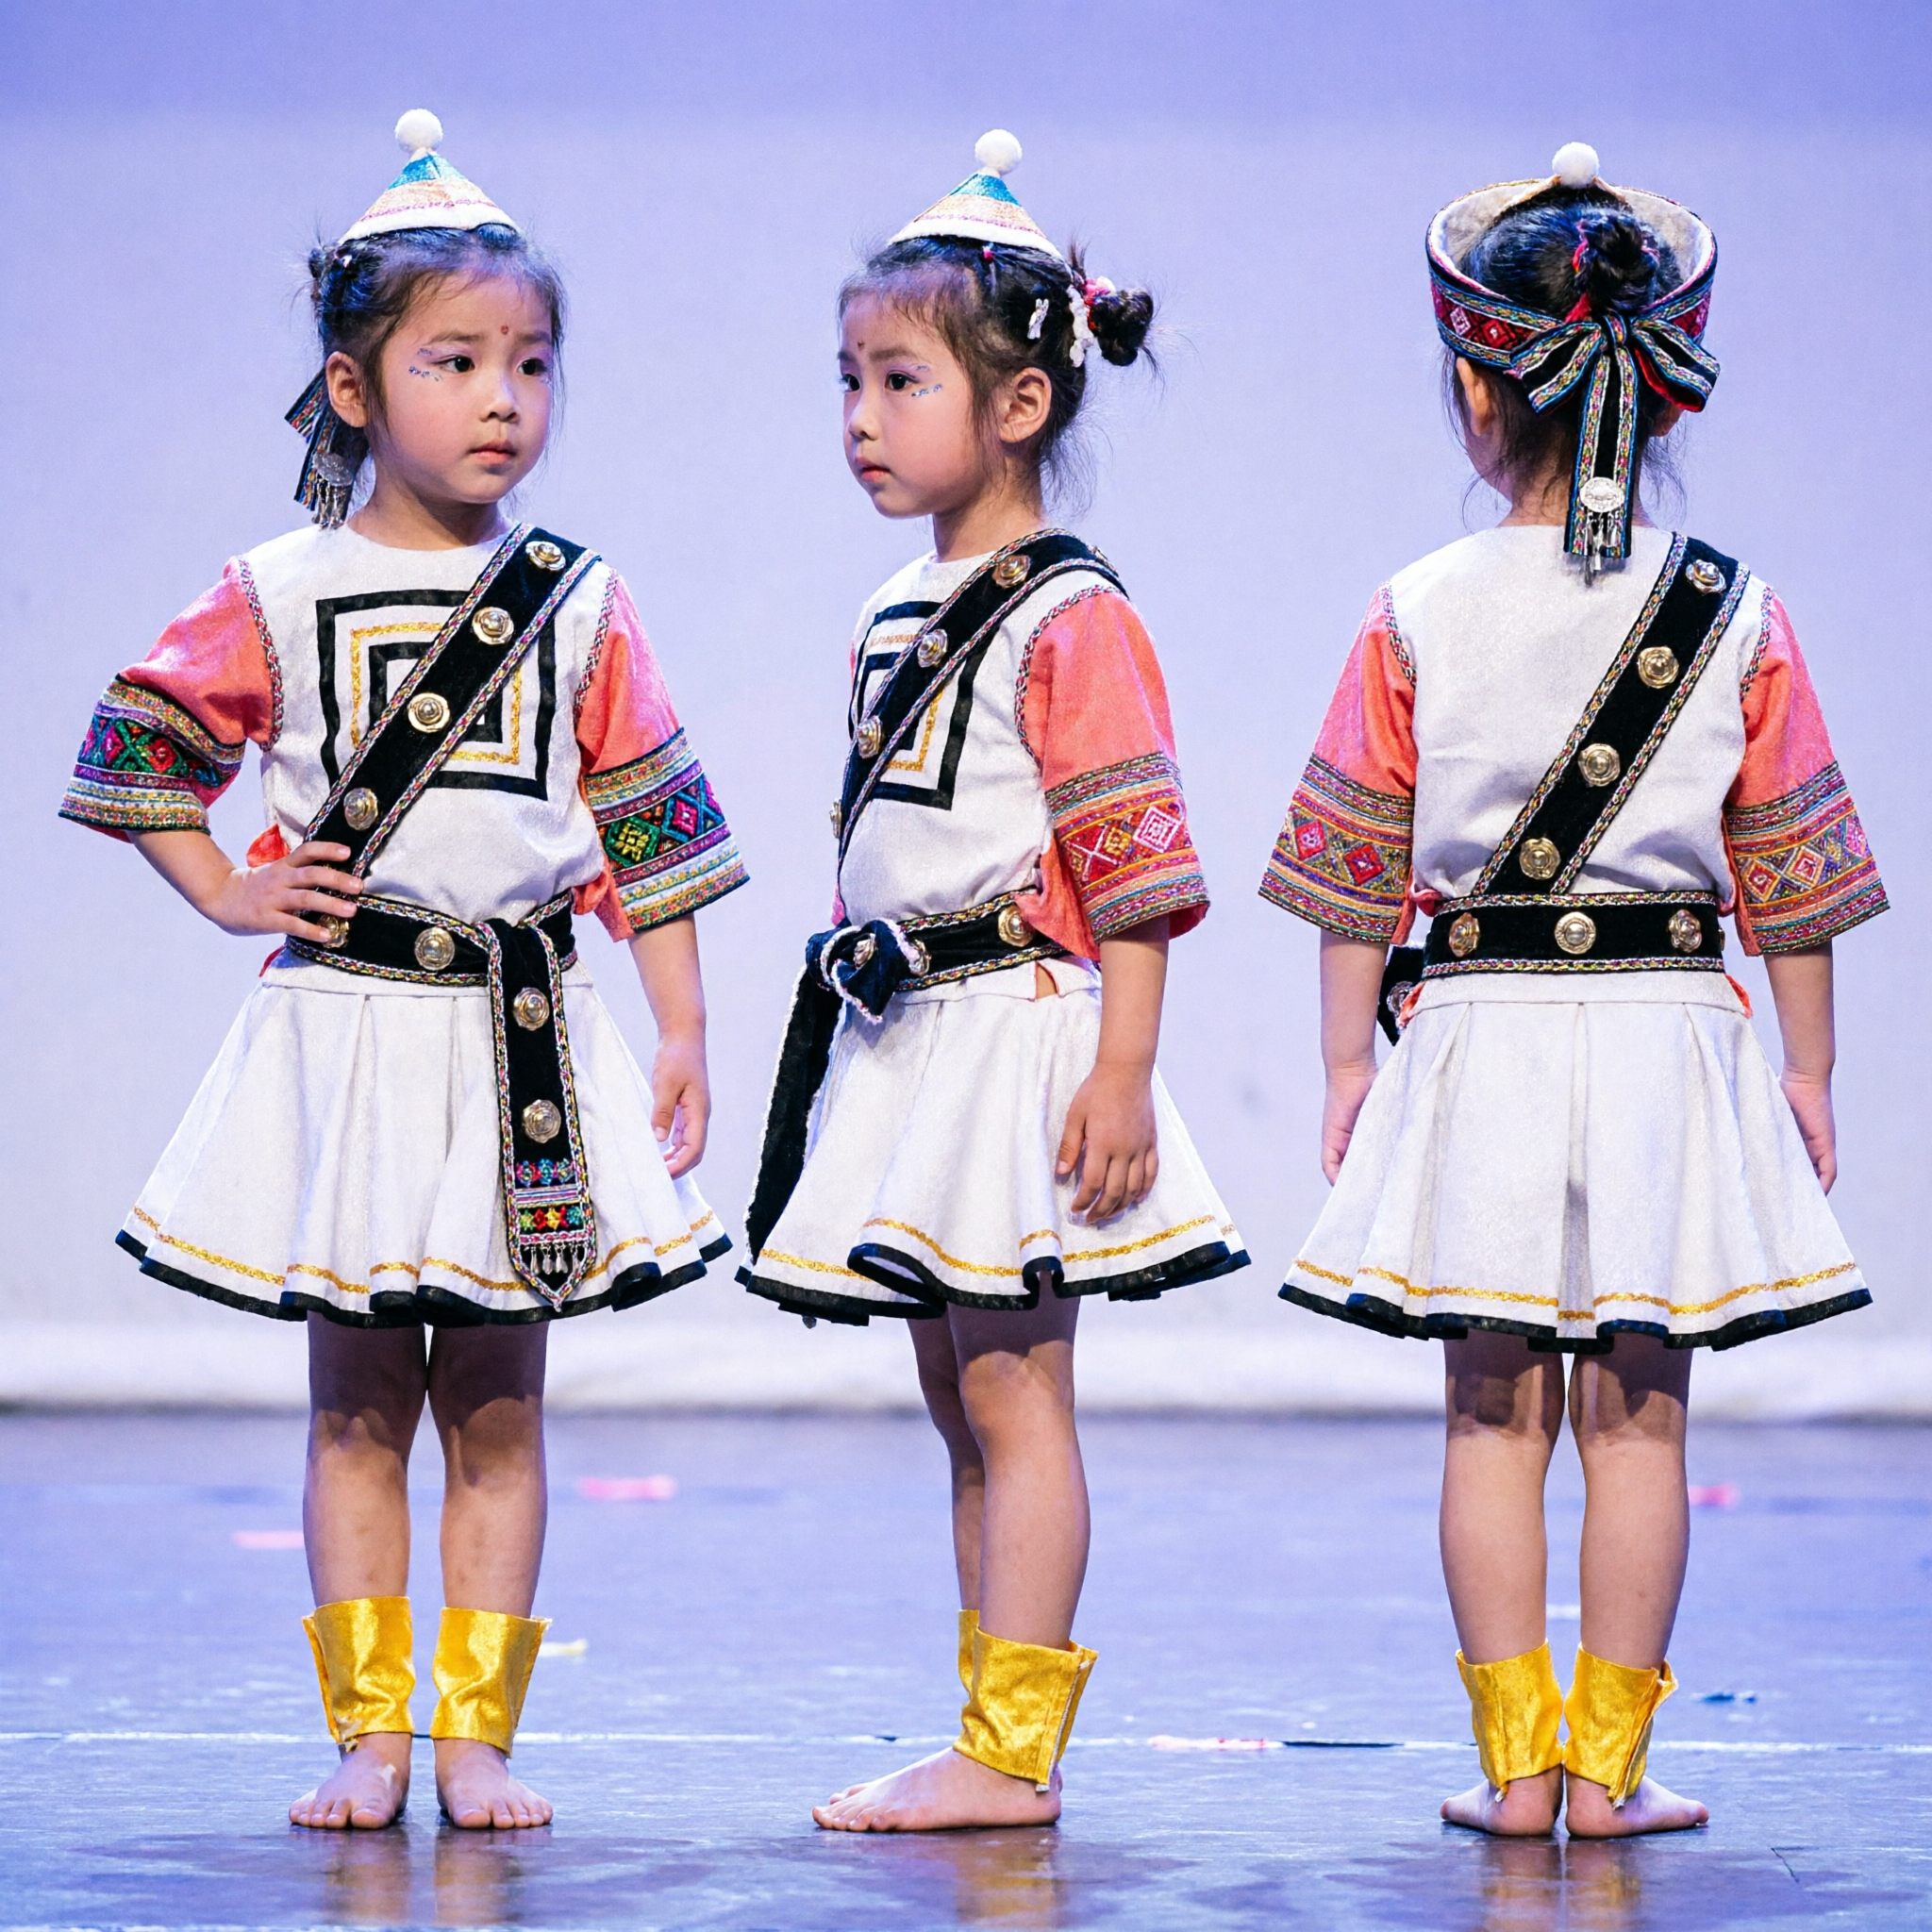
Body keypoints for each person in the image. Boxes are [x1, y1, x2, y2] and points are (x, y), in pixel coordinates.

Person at [58, 112, 746, 1831]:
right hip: (353, 1034)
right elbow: (138, 740)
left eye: (530, 362)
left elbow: (650, 823)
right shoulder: (281, 589)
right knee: (360, 1400)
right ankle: (370, 1733)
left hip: (513, 1040)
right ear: (356, 387)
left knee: (500, 1408)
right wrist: (228, 887)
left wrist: (678, 1022)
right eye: (455, 360)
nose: (502, 397)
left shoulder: (580, 600)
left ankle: (482, 1738)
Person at [1261, 143, 1886, 1840]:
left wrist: (1341, 1064)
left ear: (1477, 390)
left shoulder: (1415, 606)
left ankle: (1512, 1769)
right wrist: (1813, 1073)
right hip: (1674, 1030)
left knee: (1488, 1410)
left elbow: (1348, 863)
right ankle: (1608, 1777)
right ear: (1664, 401)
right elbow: (1795, 865)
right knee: (1638, 1417)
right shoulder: (1733, 609)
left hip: (1477, 1031)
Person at [739, 132, 1245, 1831]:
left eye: (898, 381)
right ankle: (984, 1722)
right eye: (849, 381)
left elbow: (1136, 863)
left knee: (1020, 1398)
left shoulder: (1069, 613)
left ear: (1018, 404)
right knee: (961, 1406)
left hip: (1022, 1039)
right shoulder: (903, 598)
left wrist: (1123, 1068)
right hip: (917, 1040)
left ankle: (1013, 1755)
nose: (860, 418)